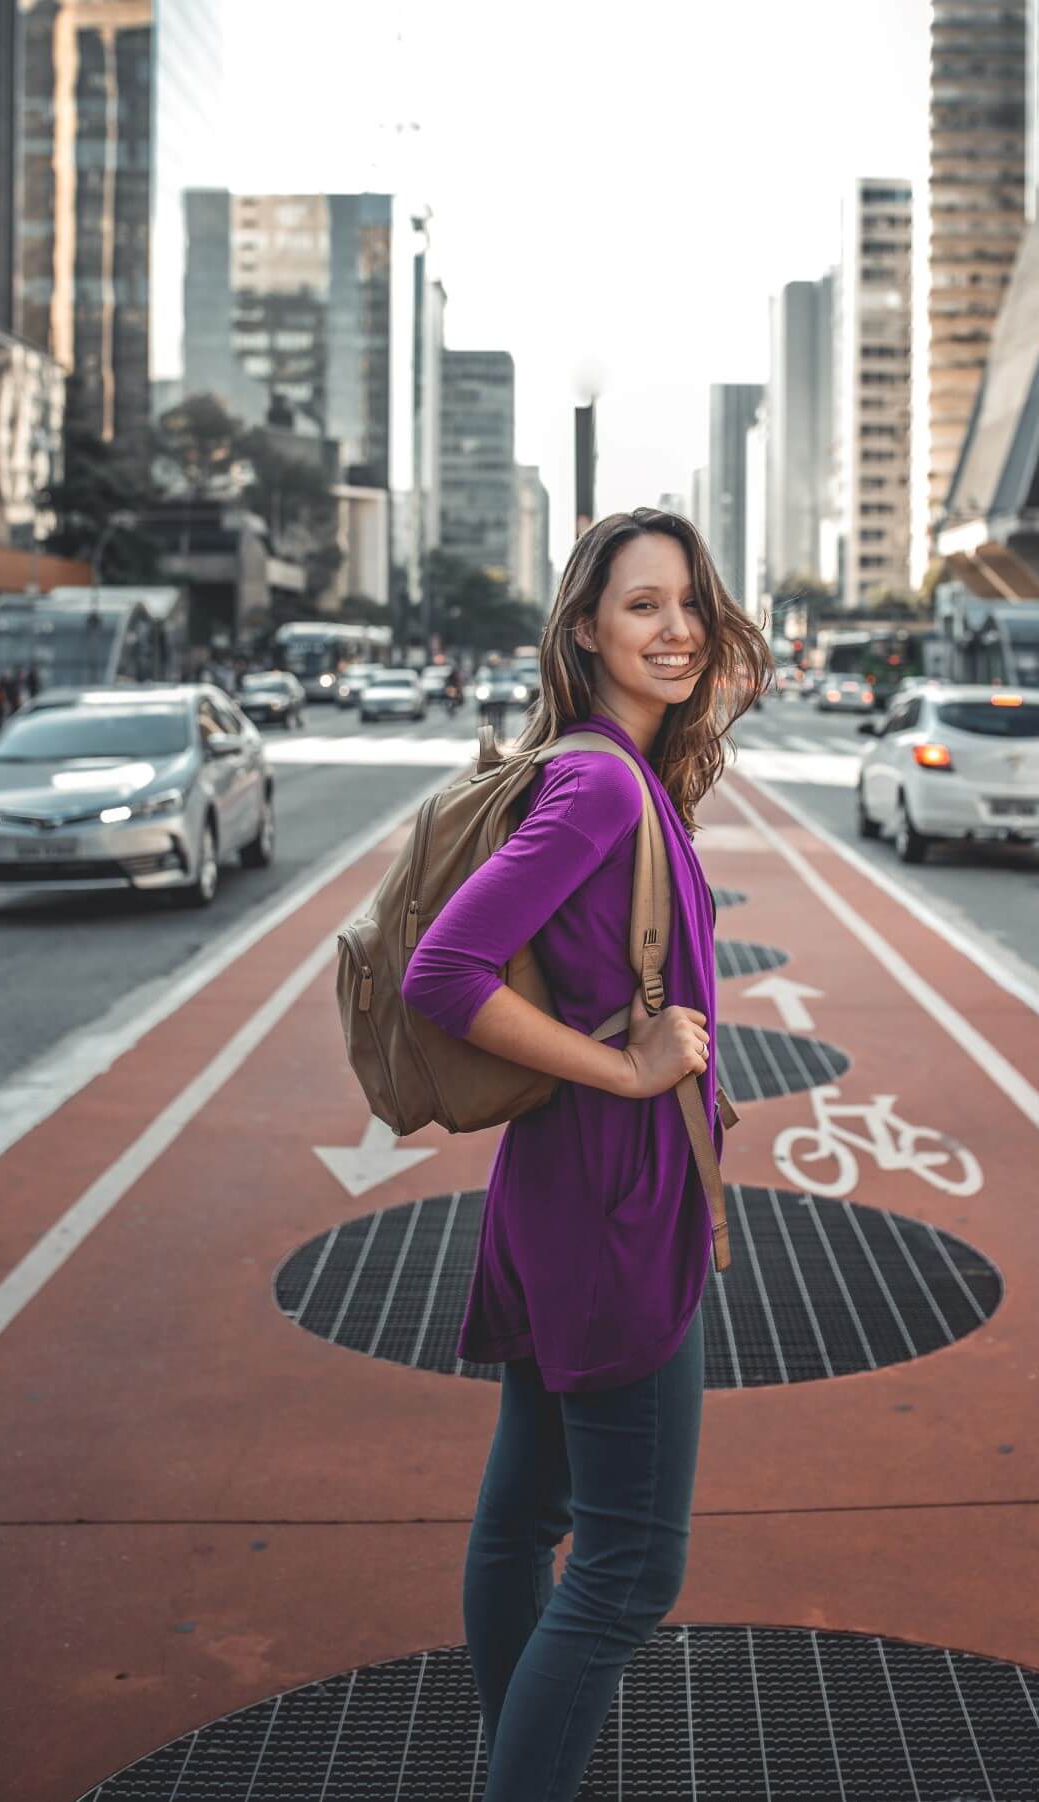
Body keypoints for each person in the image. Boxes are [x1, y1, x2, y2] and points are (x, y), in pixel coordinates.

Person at [400, 508, 769, 1800]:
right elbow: (440, 970)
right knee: (625, 1570)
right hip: (615, 1201)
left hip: (564, 1191)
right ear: (584, 631)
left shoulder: (621, 771)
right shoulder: (600, 779)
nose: (673, 630)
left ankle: (514, 1763)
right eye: (640, 606)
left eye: (687, 604)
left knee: (524, 1522)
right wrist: (625, 1065)